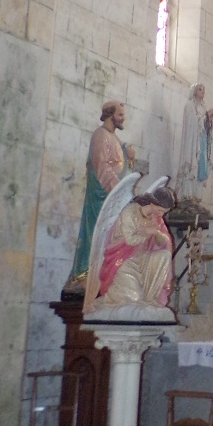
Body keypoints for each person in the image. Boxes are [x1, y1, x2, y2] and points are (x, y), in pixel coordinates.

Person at [66, 100, 135, 291]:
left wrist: (129, 157)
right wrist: (117, 191)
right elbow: (101, 166)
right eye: (120, 115)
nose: (123, 118)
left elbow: (120, 166)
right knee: (95, 232)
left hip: (113, 197)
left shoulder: (115, 139)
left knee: (111, 237)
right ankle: (83, 274)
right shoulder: (100, 135)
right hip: (101, 196)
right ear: (110, 114)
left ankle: (105, 274)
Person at [96, 189, 175, 309]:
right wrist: (148, 234)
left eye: (164, 212)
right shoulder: (130, 213)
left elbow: (165, 241)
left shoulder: (156, 218)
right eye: (160, 210)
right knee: (133, 298)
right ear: (152, 203)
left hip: (144, 259)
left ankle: (151, 300)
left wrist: (155, 232)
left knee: (164, 255)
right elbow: (130, 241)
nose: (161, 215)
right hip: (124, 260)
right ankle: (108, 299)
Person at [176, 82, 213, 201]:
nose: (202, 91)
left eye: (204, 89)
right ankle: (187, 195)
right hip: (192, 143)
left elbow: (206, 127)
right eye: (200, 89)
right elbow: (191, 123)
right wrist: (204, 117)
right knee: (192, 166)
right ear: (194, 91)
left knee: (201, 166)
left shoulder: (203, 107)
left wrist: (209, 120)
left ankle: (197, 196)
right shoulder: (189, 105)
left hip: (202, 142)